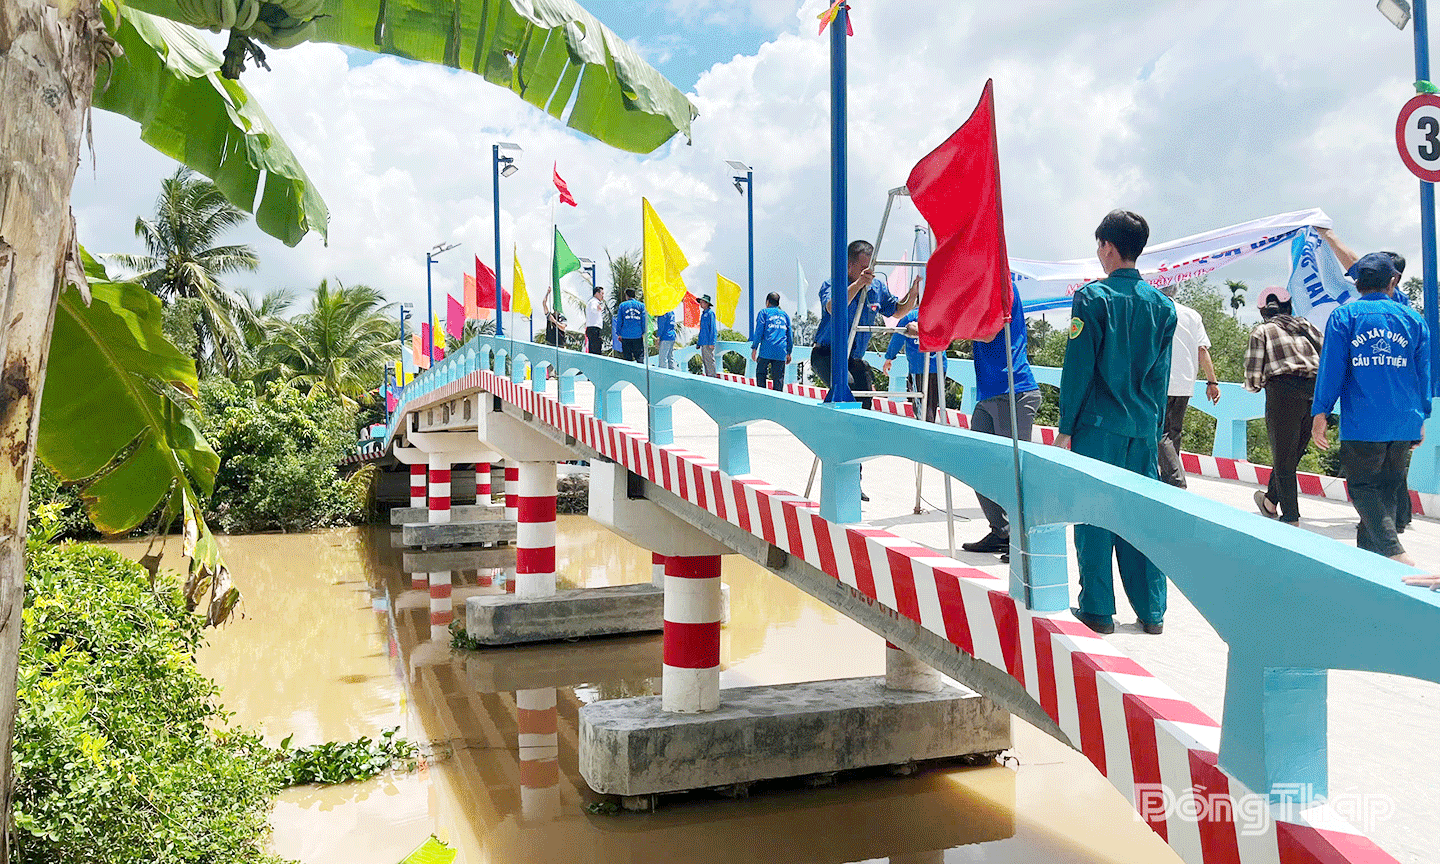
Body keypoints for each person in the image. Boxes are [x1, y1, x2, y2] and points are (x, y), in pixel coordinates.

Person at [1055, 210, 1175, 636]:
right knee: (1138, 518)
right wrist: (1154, 426)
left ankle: (1098, 610)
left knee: (1093, 516)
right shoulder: (1163, 306)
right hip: (1142, 428)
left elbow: (1079, 368)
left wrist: (1065, 426)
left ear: (1107, 245)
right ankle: (1151, 611)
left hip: (1098, 428)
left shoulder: (1092, 298)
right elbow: (1160, 377)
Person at [1310, 252, 1430, 564]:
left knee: (1363, 488)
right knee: (1388, 489)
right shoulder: (1414, 320)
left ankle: (1394, 553)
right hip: (1403, 420)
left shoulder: (1344, 317)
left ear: (1358, 283)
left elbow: (1331, 369)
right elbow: (1423, 375)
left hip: (1364, 421)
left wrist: (1320, 412)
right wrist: (1422, 416)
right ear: (1393, 281)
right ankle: (1371, 564)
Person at [957, 283, 1042, 560]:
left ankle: (1023, 542)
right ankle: (1002, 532)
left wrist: (941, 334)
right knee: (974, 463)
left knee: (1012, 473)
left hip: (1013, 390)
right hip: (989, 392)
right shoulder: (978, 289)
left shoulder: (1002, 286)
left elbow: (989, 331)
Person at [1243, 286, 1322, 524]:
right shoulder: (1308, 326)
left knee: (1283, 457)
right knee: (1292, 453)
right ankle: (1269, 501)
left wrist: (1255, 386)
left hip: (1283, 392)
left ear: (1263, 312)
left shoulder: (1262, 331)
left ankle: (1290, 517)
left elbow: (1253, 376)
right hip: (1314, 390)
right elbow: (1327, 355)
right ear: (1289, 307)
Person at [813, 240, 919, 409]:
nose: (869, 274)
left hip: (854, 357)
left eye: (871, 269)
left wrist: (912, 294)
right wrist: (858, 284)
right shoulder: (834, 284)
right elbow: (834, 307)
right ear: (849, 266)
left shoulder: (876, 287)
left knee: (865, 397)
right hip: (827, 354)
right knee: (847, 387)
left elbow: (897, 311)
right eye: (864, 269)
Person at [1156, 283, 1221, 487]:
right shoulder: (1192, 315)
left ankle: (1176, 479)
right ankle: (1169, 482)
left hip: (1162, 380)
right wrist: (1212, 382)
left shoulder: (1155, 310)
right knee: (1173, 432)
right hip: (1185, 382)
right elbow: (1203, 350)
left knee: (1160, 432)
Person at [881, 309, 947, 422]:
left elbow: (898, 338)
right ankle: (930, 427)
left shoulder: (909, 316)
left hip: (919, 367)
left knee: (921, 405)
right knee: (932, 403)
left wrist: (889, 357)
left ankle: (925, 430)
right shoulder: (939, 314)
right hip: (939, 366)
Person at [751, 292, 792, 390]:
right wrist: (789, 352)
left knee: (761, 374)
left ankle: (762, 398)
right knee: (778, 379)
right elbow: (789, 335)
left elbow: (759, 331)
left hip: (766, 350)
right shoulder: (785, 315)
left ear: (767, 302)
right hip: (781, 351)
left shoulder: (764, 313)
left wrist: (754, 347)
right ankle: (777, 402)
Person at [616, 288, 647, 362]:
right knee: (639, 357)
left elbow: (619, 321)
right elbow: (644, 320)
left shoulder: (622, 305)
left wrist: (619, 333)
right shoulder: (641, 305)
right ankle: (640, 373)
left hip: (626, 336)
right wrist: (643, 332)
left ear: (627, 296)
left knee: (627, 359)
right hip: (637, 335)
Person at [697, 294, 719, 377]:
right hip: (703, 341)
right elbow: (702, 329)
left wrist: (712, 342)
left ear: (707, 303)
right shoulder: (703, 314)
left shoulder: (710, 313)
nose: (701, 304)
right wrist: (699, 342)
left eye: (702, 302)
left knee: (709, 359)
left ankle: (712, 376)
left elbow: (713, 328)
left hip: (708, 341)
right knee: (705, 360)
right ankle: (708, 375)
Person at [584, 285, 605, 354]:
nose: (603, 296)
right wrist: (597, 308)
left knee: (594, 348)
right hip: (594, 328)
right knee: (596, 349)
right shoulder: (594, 301)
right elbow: (593, 309)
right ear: (597, 293)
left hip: (593, 328)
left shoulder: (593, 301)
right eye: (602, 293)